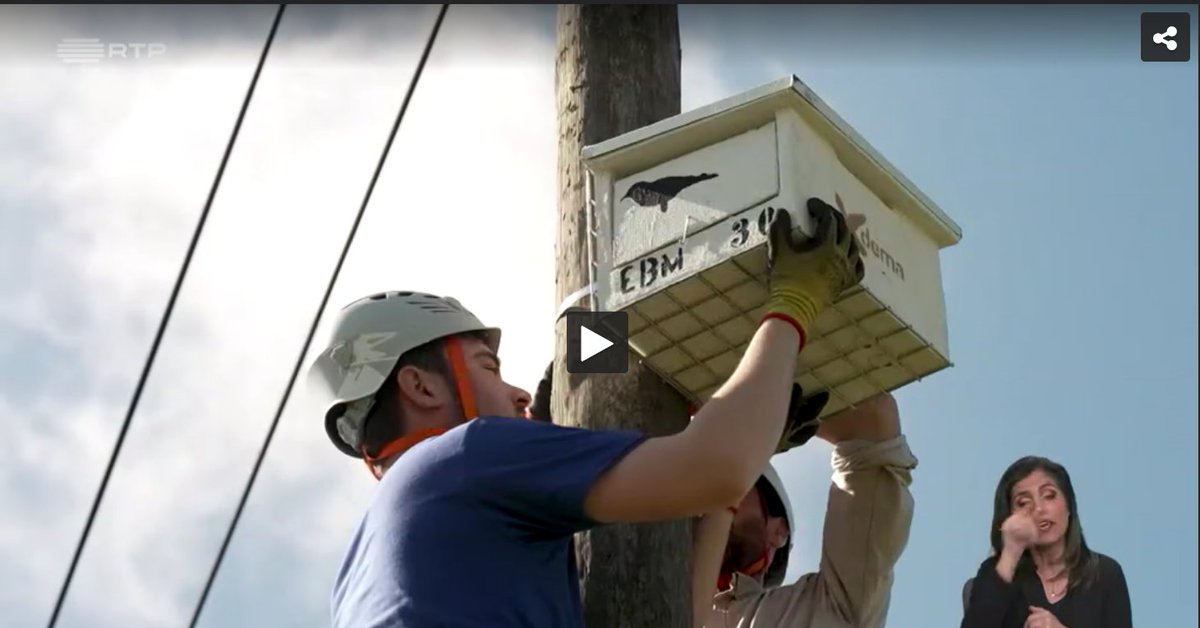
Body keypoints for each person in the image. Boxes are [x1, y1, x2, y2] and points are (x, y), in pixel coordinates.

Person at [308, 198, 866, 627]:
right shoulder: (467, 456)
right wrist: (793, 303)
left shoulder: (366, 567)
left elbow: (668, 615)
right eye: (489, 368)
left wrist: (734, 444)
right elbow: (713, 463)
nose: (519, 395)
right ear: (420, 387)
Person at [692, 391, 919, 628]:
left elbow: (873, 425)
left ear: (778, 532)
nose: (704, 496)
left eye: (742, 482)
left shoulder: (819, 611)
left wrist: (770, 406)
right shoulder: (652, 571)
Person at [960, 456, 1133, 628]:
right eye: (1023, 503)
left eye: (1049, 496)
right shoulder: (997, 574)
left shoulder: (1104, 574)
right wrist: (1011, 553)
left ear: (1069, 506)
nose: (1039, 509)